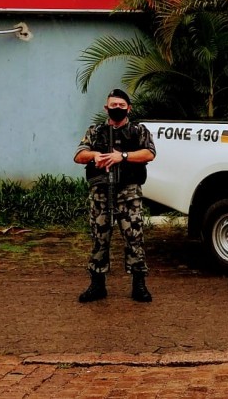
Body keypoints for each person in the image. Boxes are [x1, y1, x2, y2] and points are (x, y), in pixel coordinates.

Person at [74, 89, 156, 303]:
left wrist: (123, 156)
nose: (117, 109)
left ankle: (139, 284)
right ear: (106, 108)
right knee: (99, 239)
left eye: (121, 106)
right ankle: (97, 284)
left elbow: (149, 153)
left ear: (129, 108)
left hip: (129, 194)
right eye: (113, 105)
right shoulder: (95, 131)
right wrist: (95, 155)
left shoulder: (138, 131)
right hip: (101, 195)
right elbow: (79, 155)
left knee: (134, 239)